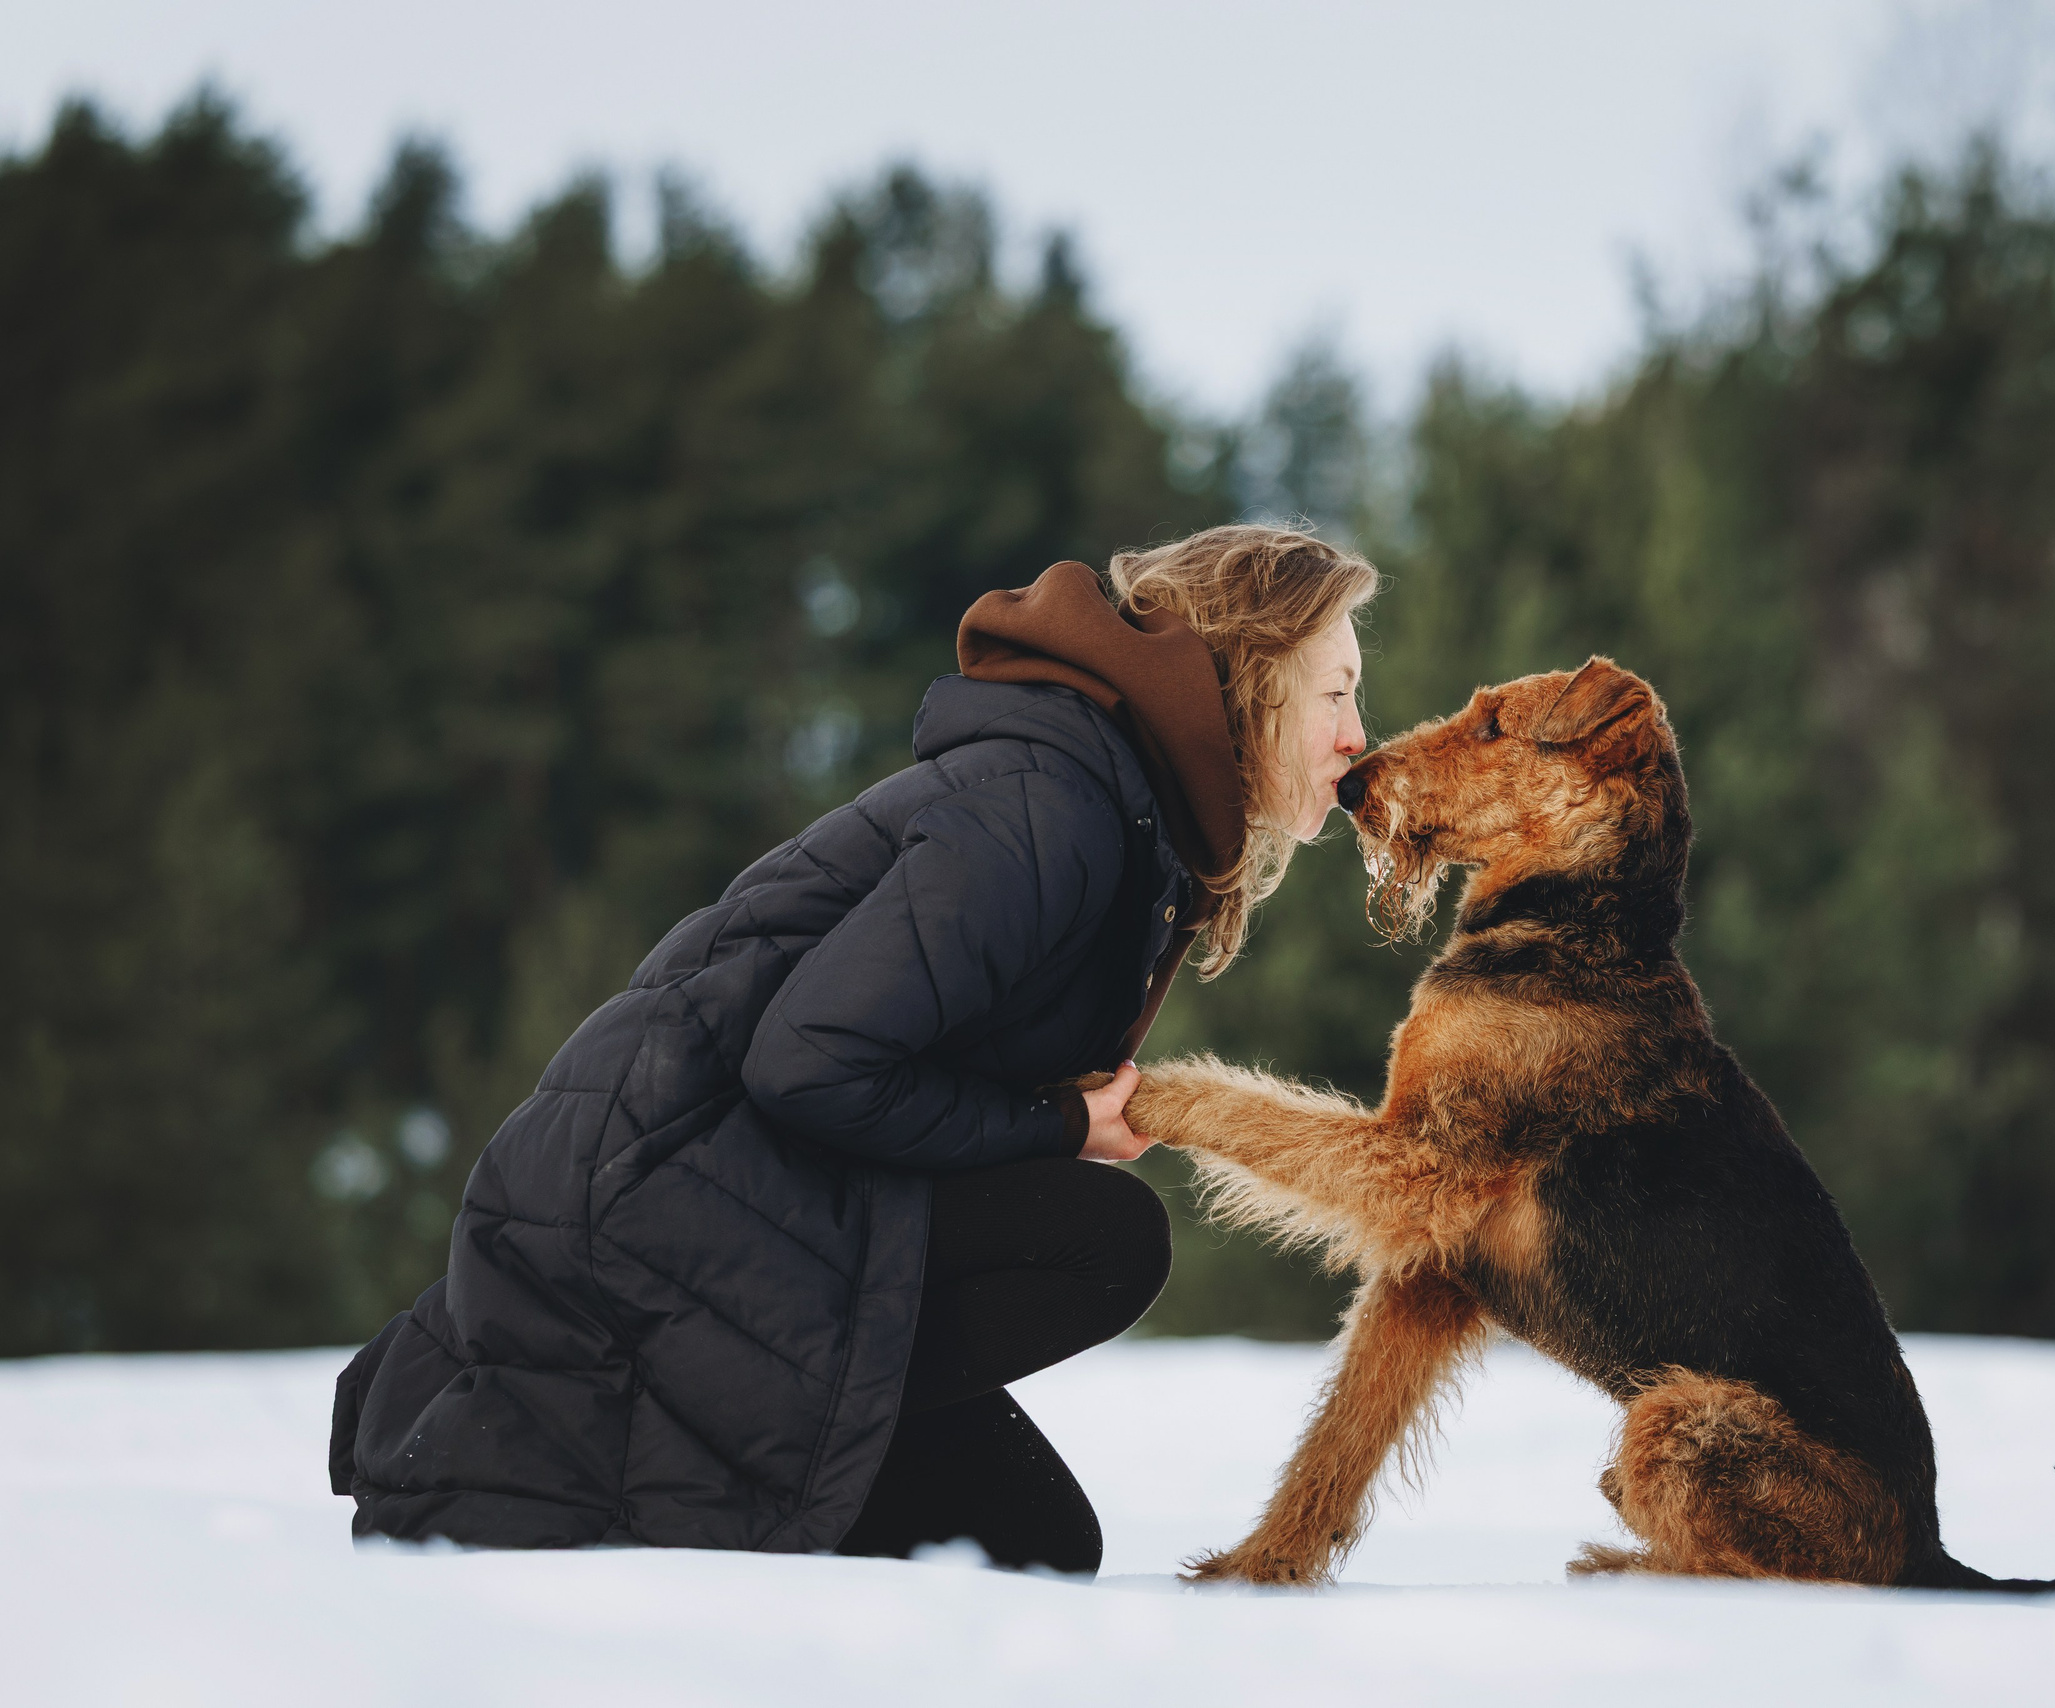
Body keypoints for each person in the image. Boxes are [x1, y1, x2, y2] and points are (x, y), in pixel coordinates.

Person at [328, 524, 1375, 1575]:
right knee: (1103, 1239)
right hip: (657, 1195)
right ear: (1247, 674)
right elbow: (811, 1060)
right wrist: (1056, 1124)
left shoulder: (1114, 805)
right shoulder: (1050, 808)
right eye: (1333, 693)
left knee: (1033, 1545)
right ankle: (610, 1440)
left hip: (757, 1188)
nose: (1354, 737)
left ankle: (744, 1438)